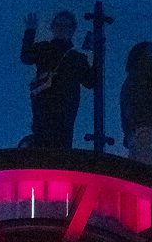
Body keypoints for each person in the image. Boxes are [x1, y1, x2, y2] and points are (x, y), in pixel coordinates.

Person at [20, 10, 95, 149]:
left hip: (64, 111)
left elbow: (90, 81)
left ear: (72, 30)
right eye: (59, 25)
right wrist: (30, 31)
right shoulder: (45, 49)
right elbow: (26, 57)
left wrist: (96, 52)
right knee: (48, 142)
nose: (62, 28)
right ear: (52, 27)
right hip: (45, 109)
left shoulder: (76, 58)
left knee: (59, 143)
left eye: (66, 26)